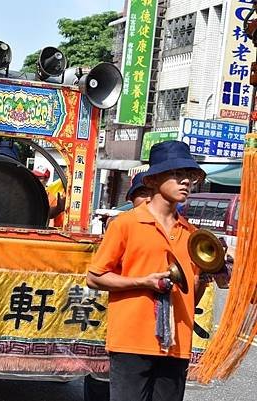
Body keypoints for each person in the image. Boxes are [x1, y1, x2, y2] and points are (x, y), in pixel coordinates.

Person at [86, 140, 208, 401]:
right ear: (153, 181)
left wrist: (207, 276)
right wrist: (144, 282)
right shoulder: (126, 224)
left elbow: (191, 296)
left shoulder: (192, 234)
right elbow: (95, 277)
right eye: (176, 174)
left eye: (189, 175)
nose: (185, 181)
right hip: (131, 338)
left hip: (176, 343)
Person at [83, 171, 151, 401]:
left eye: (152, 193)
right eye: (142, 194)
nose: (148, 199)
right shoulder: (121, 224)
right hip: (113, 310)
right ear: (132, 199)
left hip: (147, 324)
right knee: (101, 369)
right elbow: (97, 274)